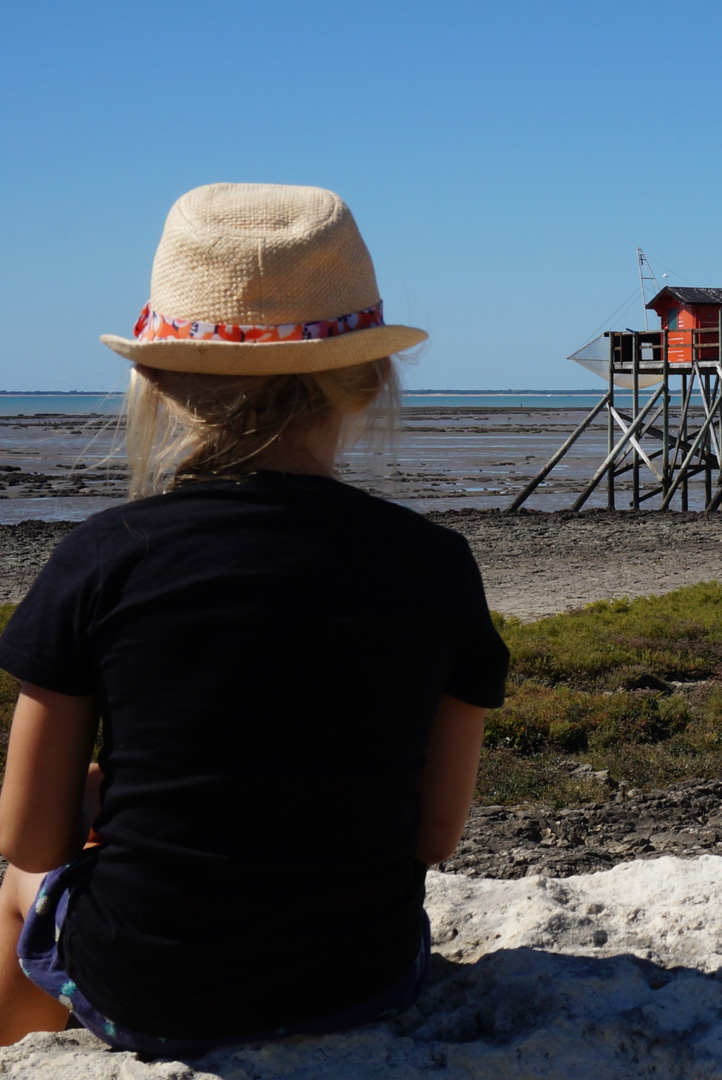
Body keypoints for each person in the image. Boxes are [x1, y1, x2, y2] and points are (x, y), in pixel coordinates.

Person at [0, 183, 509, 1053]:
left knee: (16, 886)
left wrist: (107, 795)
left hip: (150, 987)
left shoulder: (102, 554)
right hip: (362, 979)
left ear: (156, 378)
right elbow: (433, 834)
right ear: (370, 378)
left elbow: (29, 833)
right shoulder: (436, 564)